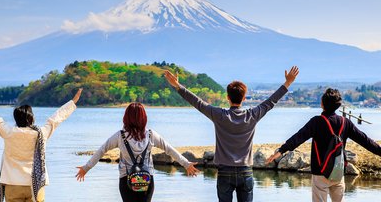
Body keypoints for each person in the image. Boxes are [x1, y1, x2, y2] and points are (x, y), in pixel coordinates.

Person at [164, 66, 299, 202]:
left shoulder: (219, 115)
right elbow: (271, 102)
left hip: (224, 172)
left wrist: (177, 86)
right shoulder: (252, 115)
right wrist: (287, 83)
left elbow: (198, 102)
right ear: (244, 98)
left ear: (227, 97)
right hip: (245, 171)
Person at [0, 88, 83, 202]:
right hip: (36, 185)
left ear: (16, 119)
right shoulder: (40, 134)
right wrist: (72, 103)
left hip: (12, 184)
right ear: (31, 118)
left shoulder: (9, 132)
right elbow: (55, 119)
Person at [266, 88, 381, 202]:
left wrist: (281, 150)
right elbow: (365, 141)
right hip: (338, 171)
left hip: (320, 172)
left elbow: (298, 138)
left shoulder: (316, 122)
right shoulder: (346, 123)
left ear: (322, 104)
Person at [75, 102, 199, 202]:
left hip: (126, 179)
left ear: (126, 118)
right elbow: (170, 150)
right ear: (144, 118)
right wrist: (186, 164)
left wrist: (86, 168)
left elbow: (102, 150)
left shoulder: (120, 136)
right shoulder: (151, 135)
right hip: (147, 179)